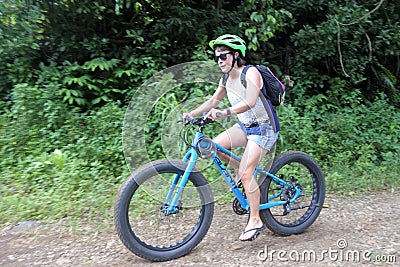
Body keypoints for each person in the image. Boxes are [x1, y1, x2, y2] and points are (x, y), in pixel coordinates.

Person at [183, 34, 279, 241]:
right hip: (245, 126)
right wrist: (192, 114)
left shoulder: (250, 73)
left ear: (236, 55)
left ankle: (255, 220)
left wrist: (223, 112)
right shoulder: (225, 78)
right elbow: (214, 99)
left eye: (223, 56)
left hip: (264, 128)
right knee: (213, 147)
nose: (219, 61)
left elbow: (251, 101)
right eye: (217, 57)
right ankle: (244, 172)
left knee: (246, 173)